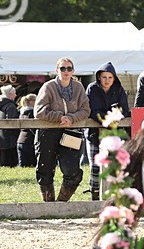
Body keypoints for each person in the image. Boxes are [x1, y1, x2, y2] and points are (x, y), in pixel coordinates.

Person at [35, 58, 90, 202]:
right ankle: (49, 205)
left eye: (69, 68)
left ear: (73, 70)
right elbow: (39, 111)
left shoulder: (78, 88)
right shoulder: (48, 87)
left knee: (72, 171)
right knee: (45, 168)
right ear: (57, 70)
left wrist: (71, 118)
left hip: (71, 132)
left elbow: (85, 110)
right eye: (63, 68)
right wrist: (59, 117)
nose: (66, 71)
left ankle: (61, 203)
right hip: (48, 132)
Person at [85, 63, 131, 201]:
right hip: (94, 133)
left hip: (114, 135)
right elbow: (92, 110)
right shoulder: (92, 88)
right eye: (104, 77)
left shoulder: (119, 89)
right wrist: (108, 117)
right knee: (95, 166)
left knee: (114, 165)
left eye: (110, 77)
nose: (107, 80)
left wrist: (112, 117)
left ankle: (112, 195)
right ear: (99, 77)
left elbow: (124, 109)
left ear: (114, 78)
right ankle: (94, 194)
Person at [0, 84, 20, 168]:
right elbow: (12, 122)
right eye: (14, 93)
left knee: (4, 158)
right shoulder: (10, 106)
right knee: (10, 161)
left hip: (2, 134)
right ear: (10, 95)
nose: (16, 95)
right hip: (11, 137)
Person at [17, 93, 38, 169]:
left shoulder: (21, 112)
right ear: (32, 102)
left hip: (20, 140)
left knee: (22, 165)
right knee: (32, 165)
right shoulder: (32, 113)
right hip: (30, 140)